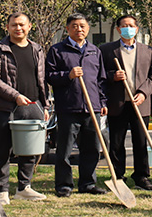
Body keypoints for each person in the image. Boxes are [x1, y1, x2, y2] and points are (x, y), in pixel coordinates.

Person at [0, 12, 49, 203]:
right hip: (6, 106)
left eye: (22, 25)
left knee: (30, 148)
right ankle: (2, 189)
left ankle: (24, 187)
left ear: (29, 27)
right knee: (4, 148)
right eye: (14, 25)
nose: (18, 28)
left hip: (33, 105)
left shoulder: (37, 49)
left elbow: (42, 80)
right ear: (8, 27)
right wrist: (15, 96)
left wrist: (44, 104)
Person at [45, 13, 108, 197]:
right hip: (69, 108)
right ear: (67, 29)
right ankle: (64, 185)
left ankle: (88, 183)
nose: (79, 29)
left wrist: (103, 101)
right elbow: (49, 76)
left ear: (87, 28)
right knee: (64, 150)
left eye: (82, 26)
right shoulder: (57, 51)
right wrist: (68, 75)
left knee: (92, 148)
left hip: (92, 108)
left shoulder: (94, 51)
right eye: (74, 26)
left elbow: (101, 80)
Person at [101, 15, 152, 191]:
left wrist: (143, 93)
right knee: (117, 143)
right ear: (118, 29)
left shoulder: (147, 50)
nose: (128, 28)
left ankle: (141, 176)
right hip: (117, 104)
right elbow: (99, 75)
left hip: (140, 103)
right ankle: (118, 176)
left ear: (137, 28)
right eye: (124, 26)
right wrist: (113, 76)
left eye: (131, 25)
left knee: (140, 142)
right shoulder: (106, 50)